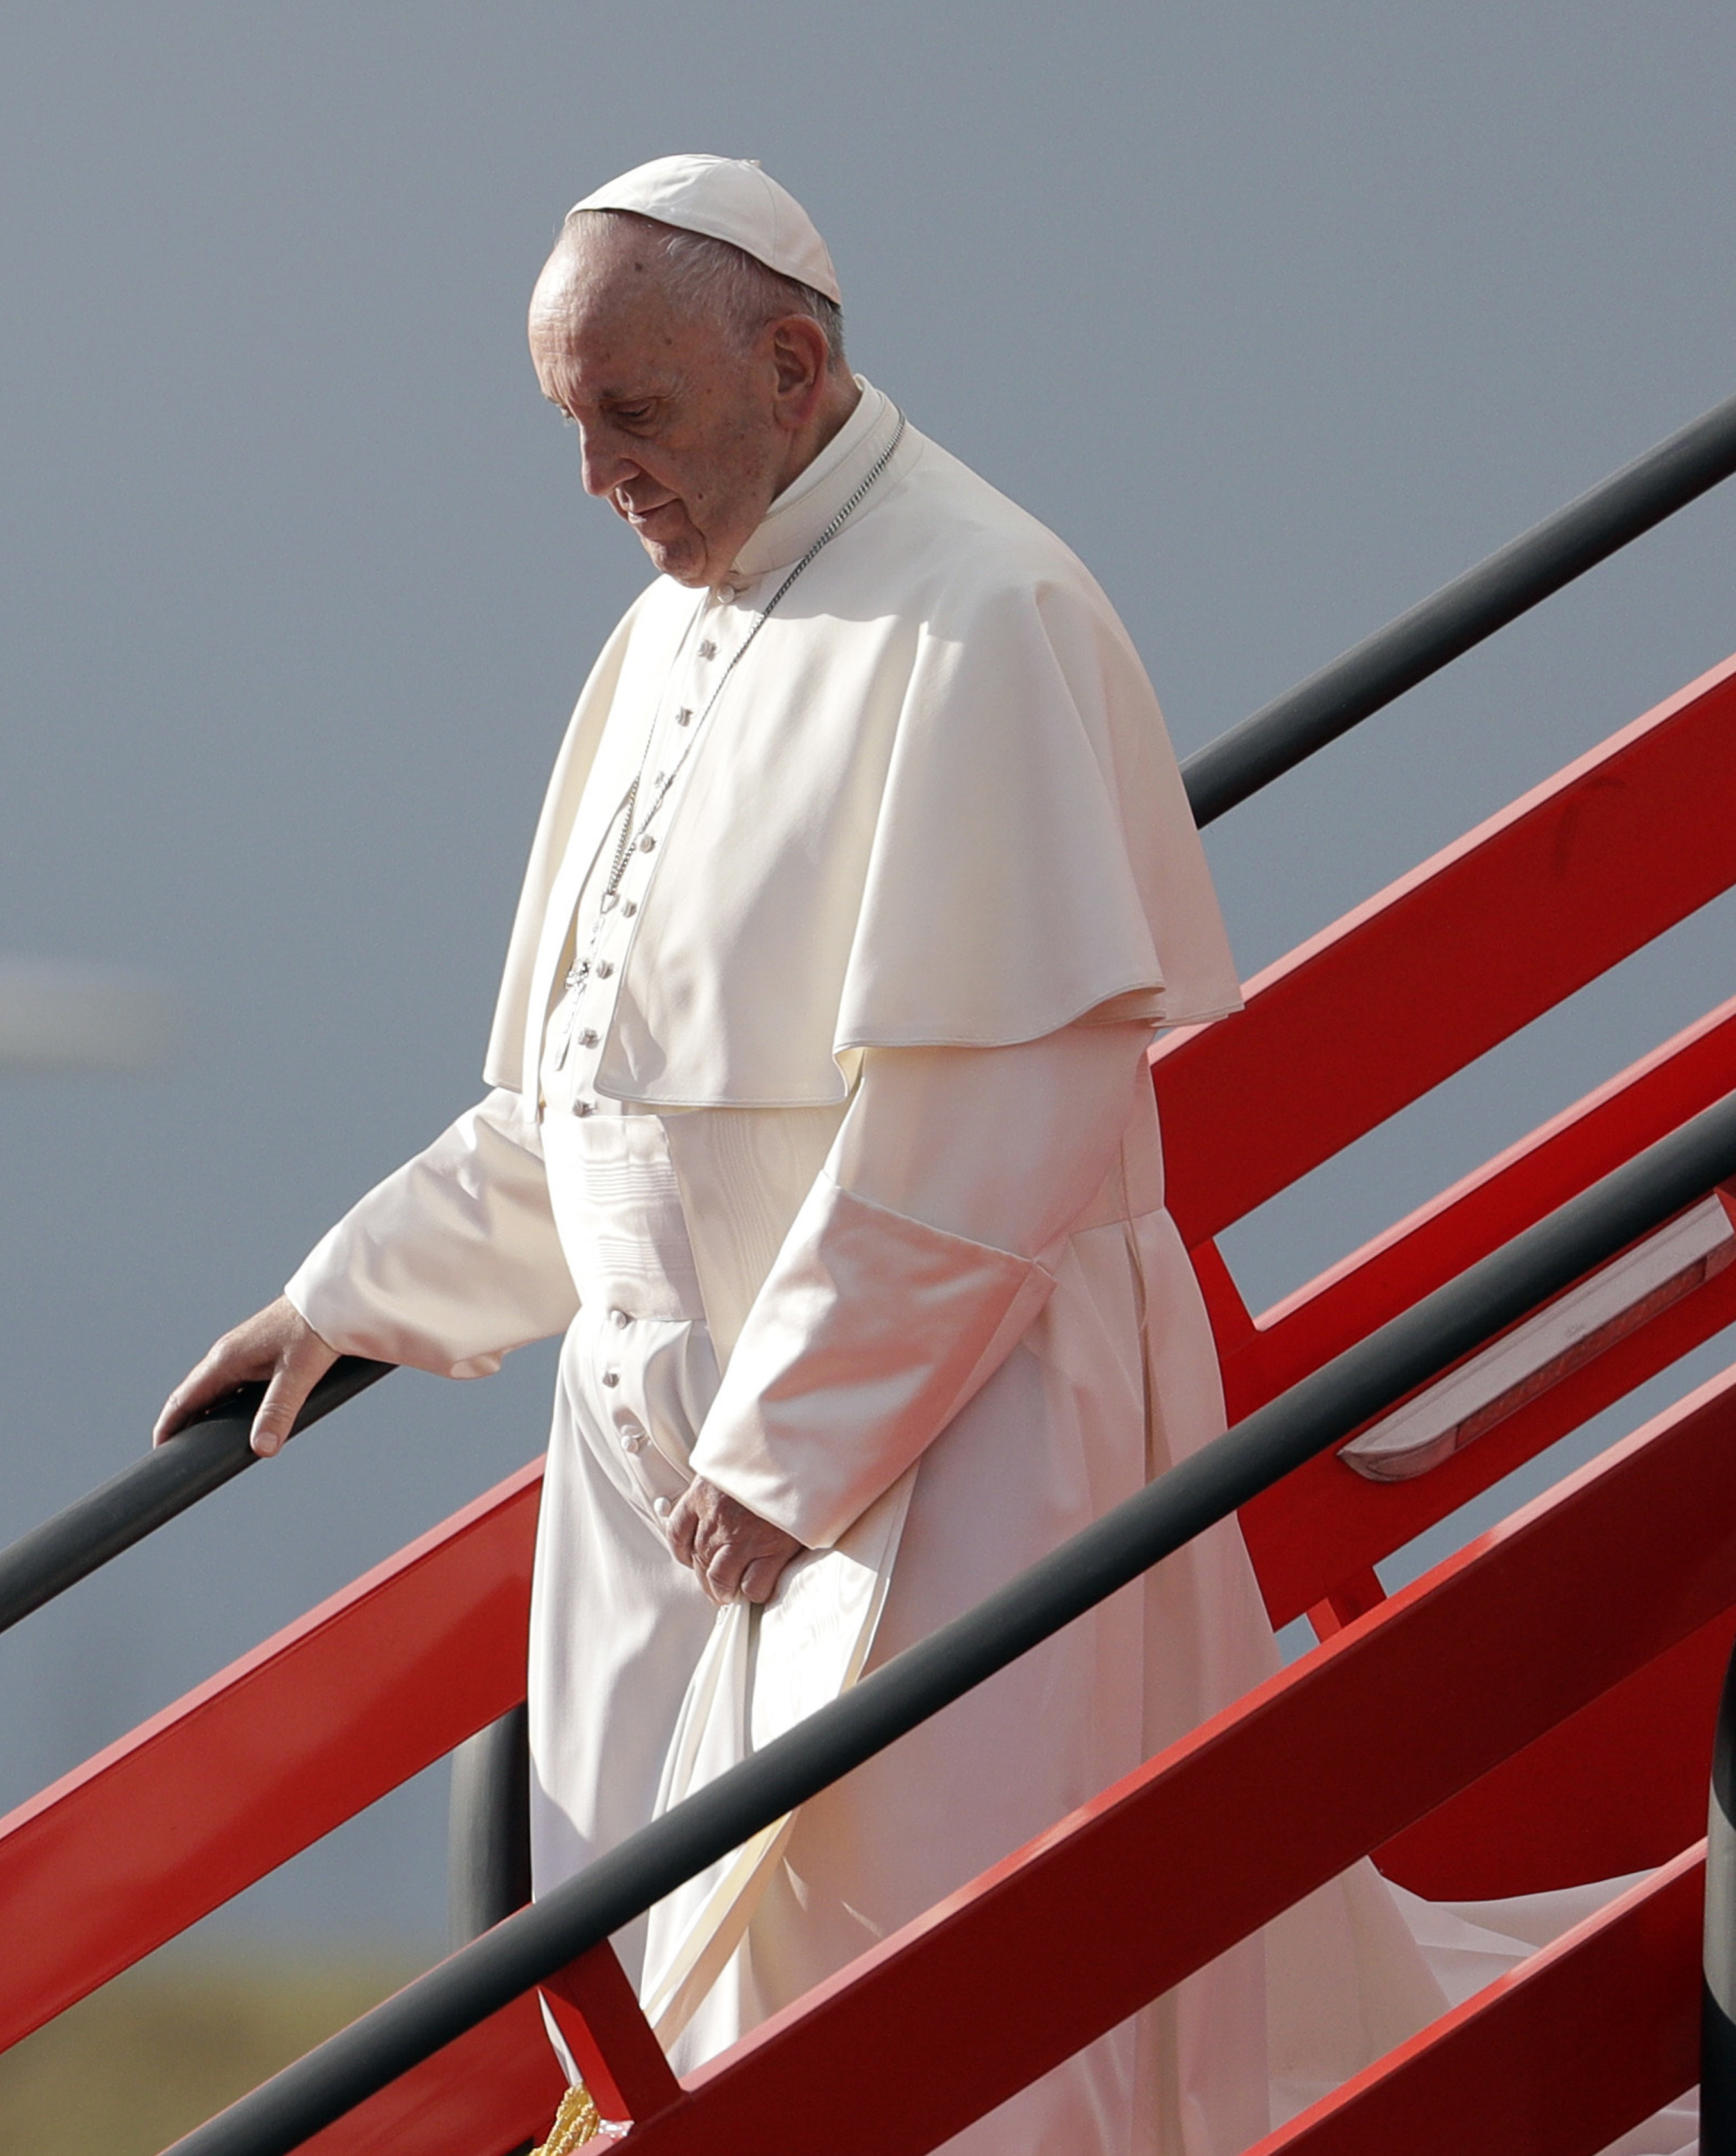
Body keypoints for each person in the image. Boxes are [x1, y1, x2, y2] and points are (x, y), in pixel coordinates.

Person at [154, 155, 1288, 2152]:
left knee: (958, 2023)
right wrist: (347, 1290)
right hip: (687, 1474)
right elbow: (601, 1096)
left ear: (789, 363)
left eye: (633, 415)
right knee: (688, 2022)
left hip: (944, 1458)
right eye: (569, 423)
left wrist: (792, 1450)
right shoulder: (675, 624)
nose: (596, 476)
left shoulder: (988, 606)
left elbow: (995, 1113)